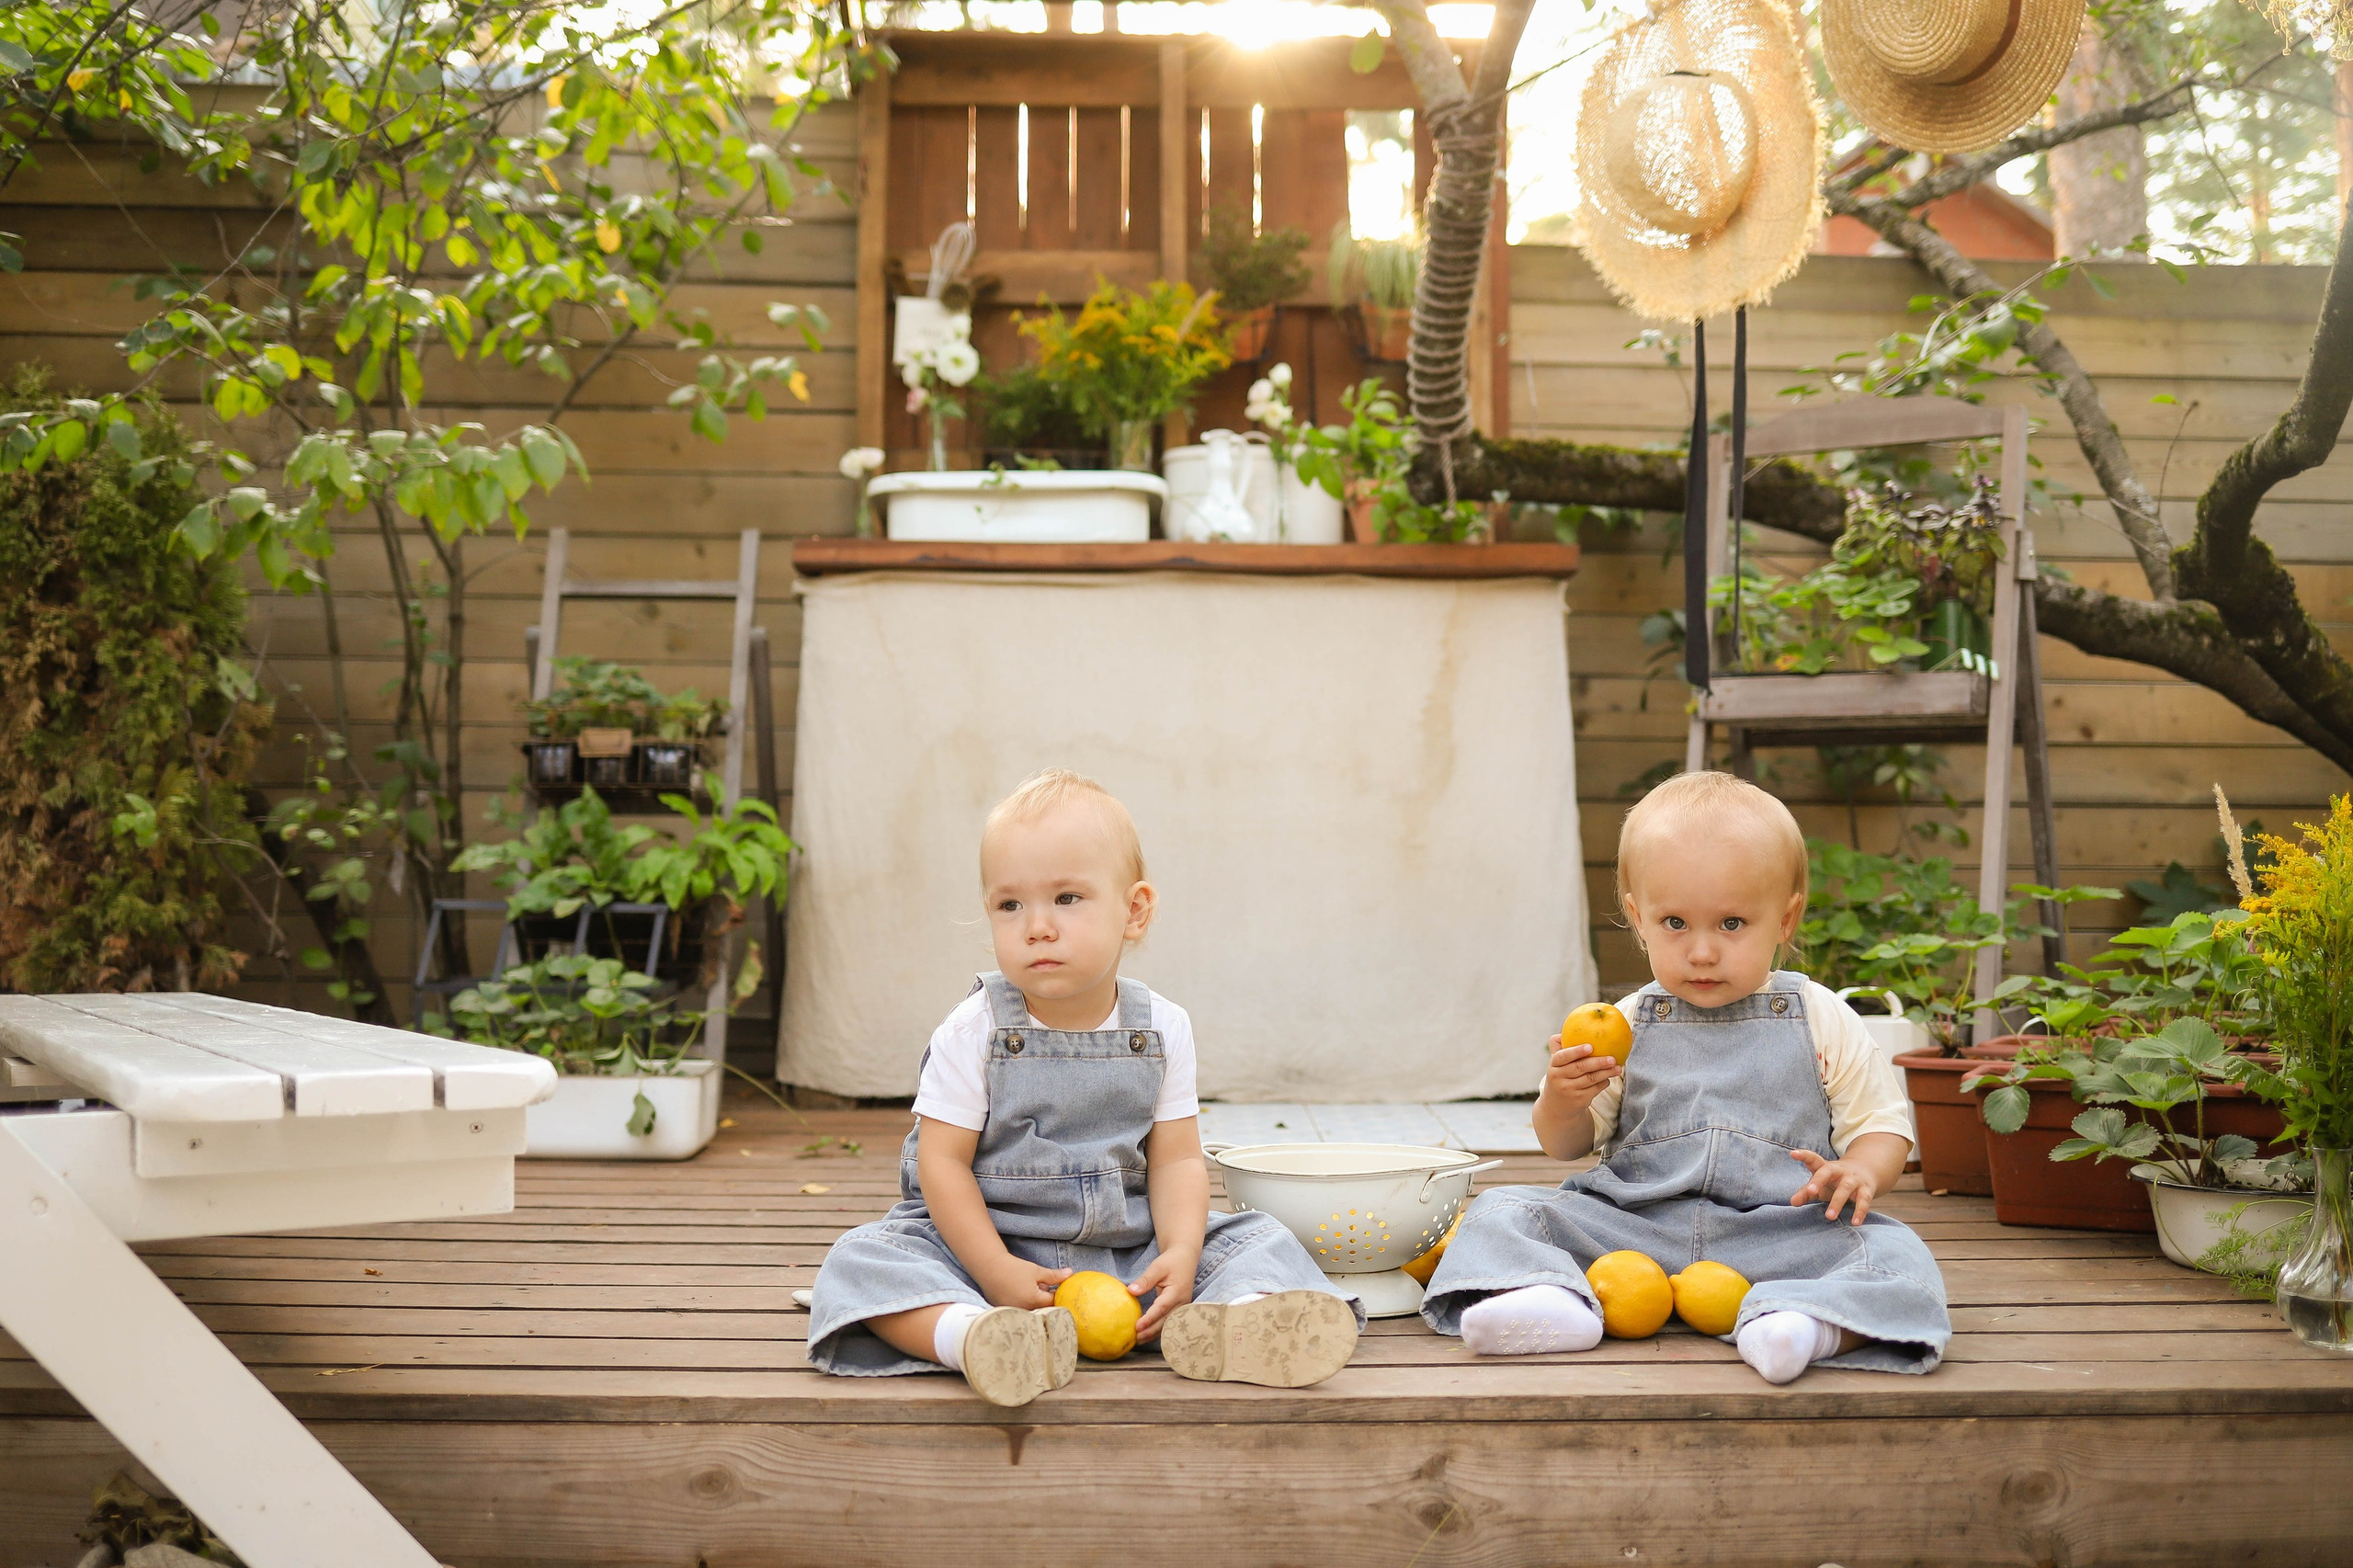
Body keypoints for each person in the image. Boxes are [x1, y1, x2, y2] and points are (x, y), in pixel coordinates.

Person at [807, 767, 1362, 1406]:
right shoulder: (977, 1029)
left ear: (1134, 910)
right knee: (864, 1258)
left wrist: (1180, 1252)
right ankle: (975, 1336)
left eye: (1067, 898)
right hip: (991, 1249)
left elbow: (1177, 1157)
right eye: (1009, 904)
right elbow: (943, 1164)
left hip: (1131, 1250)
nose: (1036, 926)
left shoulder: (1162, 1028)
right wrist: (992, 1270)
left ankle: (1243, 1322)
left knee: (1258, 1237)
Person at [1421, 770, 1950, 1383]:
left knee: (1894, 1251)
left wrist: (1860, 1169)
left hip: (1779, 1234)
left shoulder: (1819, 1017)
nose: (1702, 952)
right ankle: (1560, 1302)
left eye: (1731, 924)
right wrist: (1564, 1099)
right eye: (1676, 923)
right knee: (1502, 1210)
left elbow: (1883, 1127)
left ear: (1784, 919)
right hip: (1632, 1229)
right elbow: (1564, 1146)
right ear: (1638, 917)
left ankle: (1804, 1326)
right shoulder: (1624, 1024)